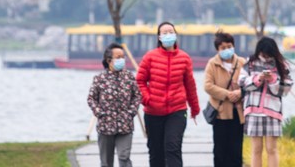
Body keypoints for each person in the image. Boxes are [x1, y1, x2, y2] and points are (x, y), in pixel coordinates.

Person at [136, 22, 200, 167]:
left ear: (175, 34)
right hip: (153, 111)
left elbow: (190, 85)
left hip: (177, 110)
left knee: (173, 147)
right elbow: (139, 81)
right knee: (156, 152)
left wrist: (194, 108)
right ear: (159, 37)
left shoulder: (184, 58)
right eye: (164, 33)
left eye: (170, 31)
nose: (168, 35)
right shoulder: (150, 57)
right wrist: (147, 99)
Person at [239, 36, 293, 167]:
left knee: (271, 149)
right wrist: (258, 78)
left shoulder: (281, 65)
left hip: (272, 112)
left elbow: (286, 89)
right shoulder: (250, 63)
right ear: (259, 51)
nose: (266, 57)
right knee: (256, 149)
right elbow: (241, 82)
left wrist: (272, 80)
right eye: (263, 54)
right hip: (253, 111)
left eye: (269, 54)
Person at [87, 43, 142, 167]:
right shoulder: (99, 79)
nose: (121, 60)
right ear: (109, 60)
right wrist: (100, 113)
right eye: (118, 57)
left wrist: (131, 112)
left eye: (123, 57)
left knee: (124, 157)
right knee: (106, 162)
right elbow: (91, 99)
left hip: (125, 126)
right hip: (105, 126)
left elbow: (137, 96)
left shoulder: (129, 77)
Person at [204, 30, 246, 167]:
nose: (227, 50)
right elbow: (208, 86)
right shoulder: (212, 64)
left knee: (236, 150)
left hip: (237, 113)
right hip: (220, 113)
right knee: (220, 150)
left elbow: (250, 84)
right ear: (218, 49)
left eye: (229, 46)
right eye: (223, 48)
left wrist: (240, 93)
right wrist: (227, 94)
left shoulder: (242, 63)